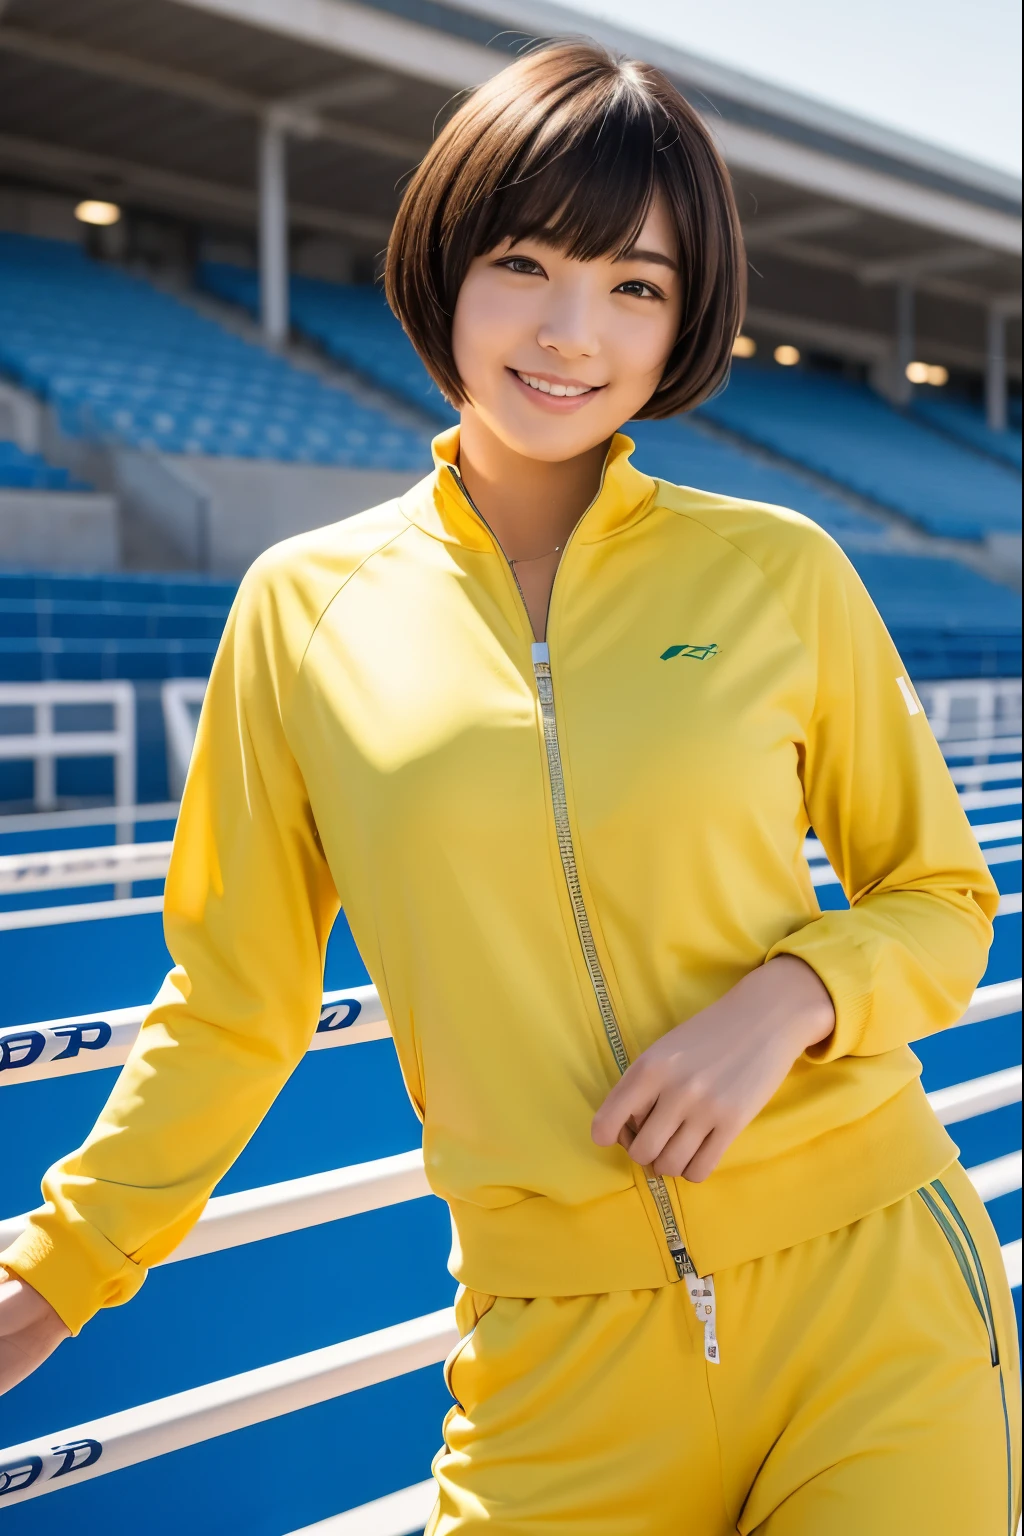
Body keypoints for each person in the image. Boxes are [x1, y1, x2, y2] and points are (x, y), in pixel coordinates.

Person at [1, 40, 1019, 1535]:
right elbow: (235, 1000)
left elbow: (942, 899)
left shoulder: (779, 572)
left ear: (685, 320)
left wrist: (790, 999)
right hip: (555, 1354)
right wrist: (54, 1274)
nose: (569, 332)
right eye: (523, 264)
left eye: (635, 286)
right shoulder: (303, 610)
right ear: (441, 271)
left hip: (871, 1295)